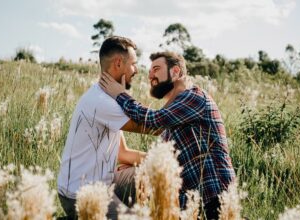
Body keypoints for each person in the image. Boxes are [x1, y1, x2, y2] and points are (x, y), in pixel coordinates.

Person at [99, 51, 236, 220]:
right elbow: (167, 162)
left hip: (213, 198)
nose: (150, 75)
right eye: (149, 71)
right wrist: (143, 167)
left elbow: (152, 120)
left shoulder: (193, 96)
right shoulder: (173, 116)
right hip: (192, 204)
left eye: (156, 69)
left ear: (176, 71)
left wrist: (119, 94)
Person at [57, 36, 147, 220]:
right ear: (118, 63)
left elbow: (122, 153)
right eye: (133, 64)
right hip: (81, 194)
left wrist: (162, 162)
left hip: (103, 183)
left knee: (152, 173)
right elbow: (150, 125)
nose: (136, 70)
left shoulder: (110, 100)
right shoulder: (101, 102)